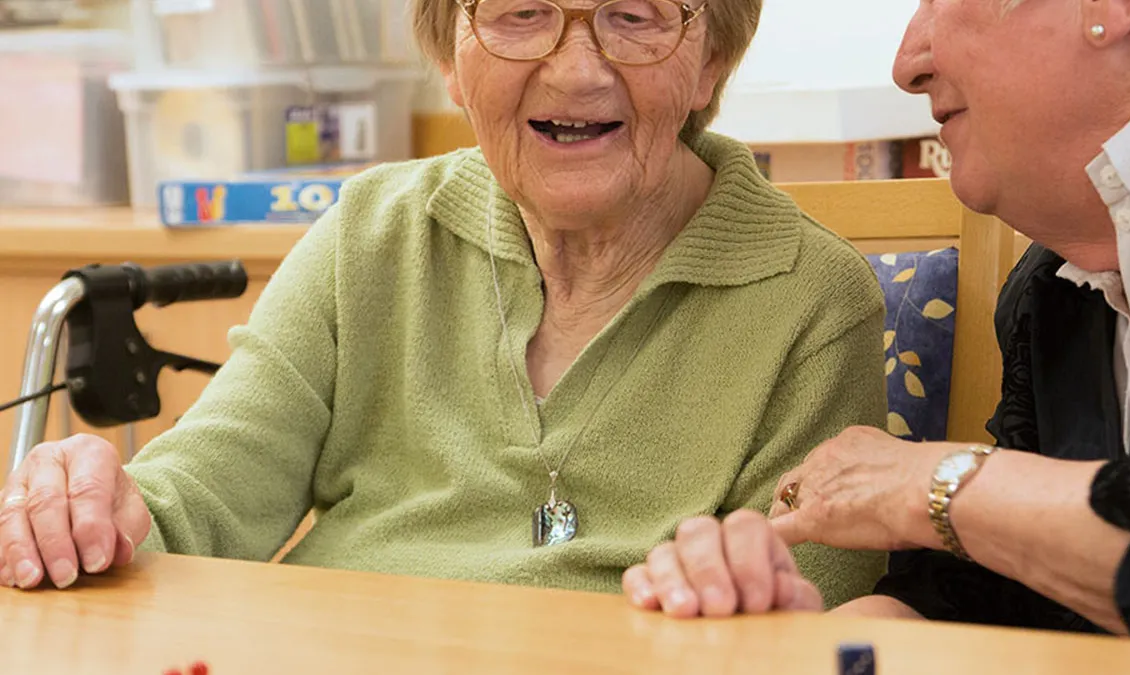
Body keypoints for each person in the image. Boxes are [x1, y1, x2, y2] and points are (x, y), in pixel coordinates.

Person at [0, 0, 888, 609]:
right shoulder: (369, 233)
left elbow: (806, 612)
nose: (577, 70)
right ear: (446, 59)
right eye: (520, 13)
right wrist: (95, 509)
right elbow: (200, 494)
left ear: (711, 61)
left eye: (634, 16)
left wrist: (756, 597)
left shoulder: (812, 298)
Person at [623, 0, 1130, 640]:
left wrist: (923, 483)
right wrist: (800, 643)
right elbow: (999, 591)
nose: (906, 65)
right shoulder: (1052, 289)